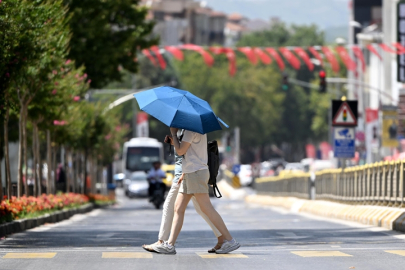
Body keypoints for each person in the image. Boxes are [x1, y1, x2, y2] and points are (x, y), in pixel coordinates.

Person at [152, 128, 240, 255]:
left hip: (196, 173)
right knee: (178, 208)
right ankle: (170, 245)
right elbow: (189, 150)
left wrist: (173, 134)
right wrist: (175, 141)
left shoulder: (190, 130)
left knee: (206, 208)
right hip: (189, 173)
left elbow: (181, 150)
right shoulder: (196, 129)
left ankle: (230, 240)